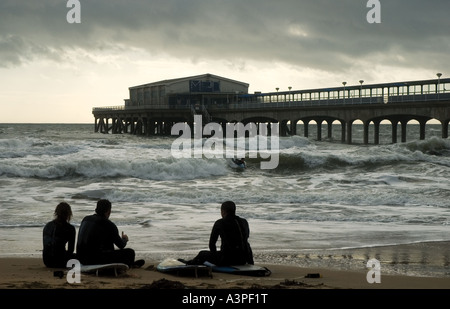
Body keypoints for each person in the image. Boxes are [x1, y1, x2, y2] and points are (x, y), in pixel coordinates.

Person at [76, 199, 144, 268]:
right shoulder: (109, 224)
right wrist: (124, 239)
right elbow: (121, 245)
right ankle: (130, 264)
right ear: (108, 211)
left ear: (96, 209)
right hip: (95, 260)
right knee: (130, 252)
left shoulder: (85, 219)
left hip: (81, 258)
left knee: (105, 240)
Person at [182, 201, 254, 266]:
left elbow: (212, 244)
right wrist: (250, 262)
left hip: (227, 260)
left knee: (202, 254)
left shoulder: (220, 223)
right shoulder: (244, 222)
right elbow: (245, 240)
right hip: (243, 259)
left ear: (223, 211)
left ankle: (190, 264)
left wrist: (215, 258)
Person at [42, 202, 76, 268]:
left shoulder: (48, 225)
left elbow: (46, 246)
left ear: (56, 212)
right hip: (61, 261)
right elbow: (70, 250)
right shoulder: (70, 228)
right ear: (69, 213)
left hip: (47, 261)